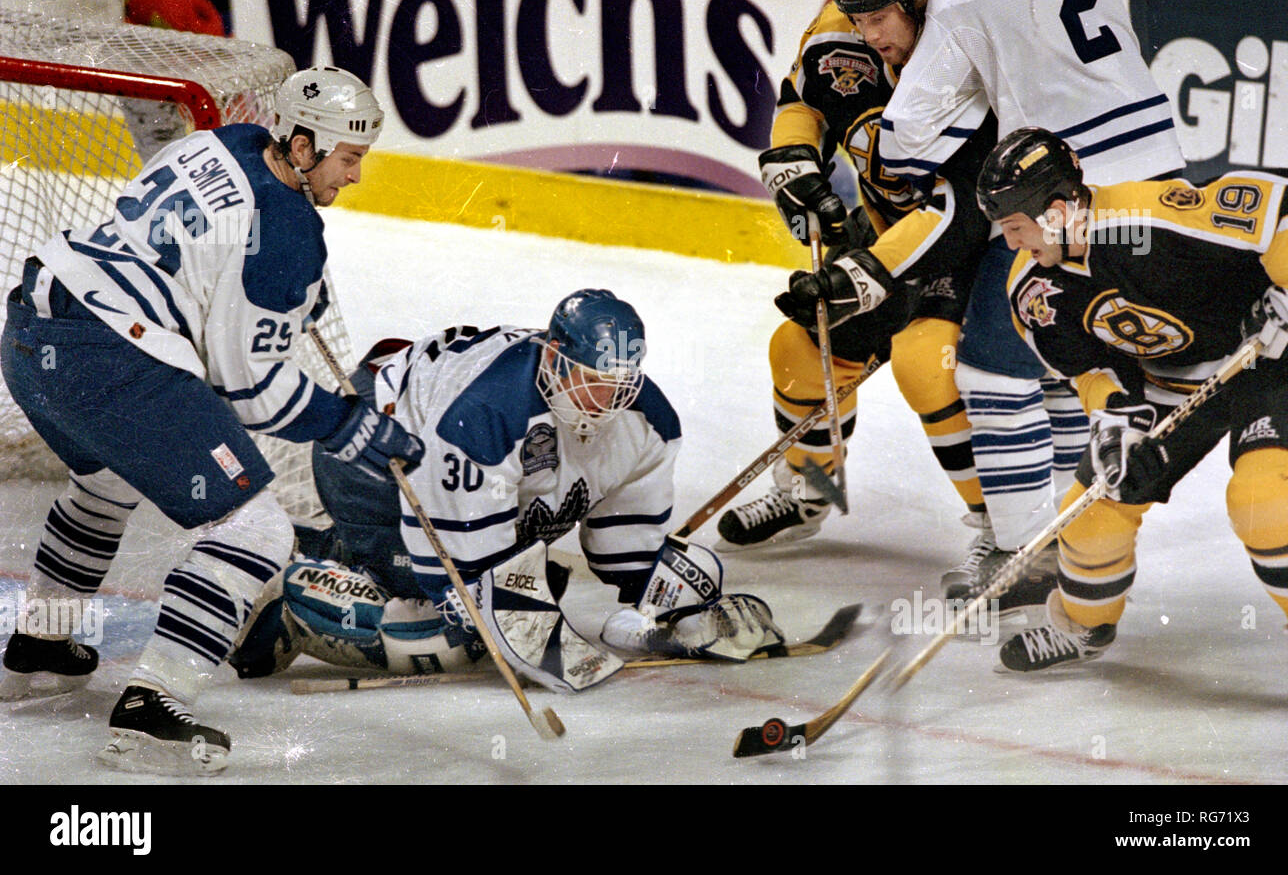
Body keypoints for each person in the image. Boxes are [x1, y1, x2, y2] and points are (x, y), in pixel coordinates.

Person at [0, 66, 426, 776]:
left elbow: (212, 255)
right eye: (349, 158)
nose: (355, 175)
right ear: (302, 146)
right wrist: (345, 424)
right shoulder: (290, 230)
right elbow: (250, 390)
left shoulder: (226, 141)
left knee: (106, 482)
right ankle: (152, 707)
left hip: (32, 331)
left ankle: (41, 644)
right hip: (109, 356)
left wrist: (283, 301)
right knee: (257, 530)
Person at [229, 289, 784, 691]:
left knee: (532, 586)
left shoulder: (647, 423)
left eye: (618, 385)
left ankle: (331, 553)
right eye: (591, 380)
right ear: (553, 357)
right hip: (375, 443)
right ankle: (288, 599)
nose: (603, 402)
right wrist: (509, 608)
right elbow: (464, 579)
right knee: (461, 634)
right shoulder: (488, 415)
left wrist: (685, 611)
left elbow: (629, 552)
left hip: (454, 451)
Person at [876, 0, 1186, 601]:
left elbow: (904, 136)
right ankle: (1063, 545)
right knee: (1061, 355)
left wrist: (924, 161)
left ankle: (1025, 559)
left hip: (1069, 197)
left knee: (992, 366)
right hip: (1157, 189)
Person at [975, 127, 1288, 671]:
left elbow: (1283, 205)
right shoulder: (1035, 290)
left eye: (1015, 227)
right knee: (1092, 512)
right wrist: (1115, 425)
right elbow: (1089, 369)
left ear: (1056, 212)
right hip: (1169, 382)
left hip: (1270, 360)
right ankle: (1083, 626)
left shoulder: (1145, 221)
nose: (1010, 244)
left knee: (1266, 500)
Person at [714, 0, 995, 563]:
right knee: (799, 349)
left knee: (925, 365)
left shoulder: (966, 48)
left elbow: (959, 205)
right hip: (891, 232)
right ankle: (811, 490)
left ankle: (1001, 525)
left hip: (970, 242)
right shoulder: (840, 32)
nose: (868, 35)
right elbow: (802, 99)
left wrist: (867, 272)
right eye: (858, 17)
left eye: (880, 18)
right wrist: (792, 159)